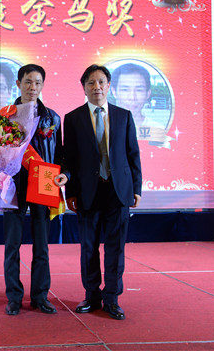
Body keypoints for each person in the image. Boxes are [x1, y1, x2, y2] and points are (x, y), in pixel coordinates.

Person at [57, 64, 142, 320]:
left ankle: (112, 298)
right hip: (87, 192)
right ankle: (92, 295)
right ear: (84, 87)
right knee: (88, 247)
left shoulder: (124, 116)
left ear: (109, 85)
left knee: (115, 248)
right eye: (91, 83)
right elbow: (69, 158)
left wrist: (136, 188)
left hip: (118, 192)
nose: (97, 87)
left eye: (101, 82)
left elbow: (133, 154)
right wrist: (70, 192)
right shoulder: (73, 118)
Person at [0, 64, 67, 315]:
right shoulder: (4, 116)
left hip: (43, 184)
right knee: (12, 245)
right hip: (13, 185)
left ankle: (41, 296)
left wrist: (65, 174)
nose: (33, 87)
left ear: (43, 85)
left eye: (38, 82)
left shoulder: (52, 118)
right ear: (18, 84)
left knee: (42, 245)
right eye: (28, 82)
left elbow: (61, 154)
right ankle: (14, 297)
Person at [110, 63, 162, 129]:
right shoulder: (102, 128)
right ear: (114, 92)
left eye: (139, 90)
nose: (132, 97)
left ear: (148, 93)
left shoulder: (158, 129)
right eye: (125, 90)